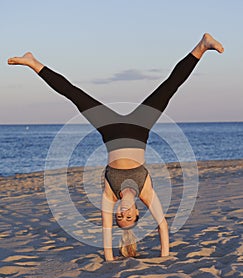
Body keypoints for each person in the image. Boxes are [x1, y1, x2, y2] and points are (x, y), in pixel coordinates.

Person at [8, 33, 224, 261]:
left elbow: (106, 231)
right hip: (140, 129)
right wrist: (164, 257)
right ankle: (201, 46)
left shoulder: (110, 195)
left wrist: (109, 259)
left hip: (110, 131)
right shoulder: (146, 191)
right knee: (170, 86)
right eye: (128, 217)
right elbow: (162, 226)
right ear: (137, 212)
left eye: (119, 217)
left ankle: (32, 62)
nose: (123, 213)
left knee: (74, 94)